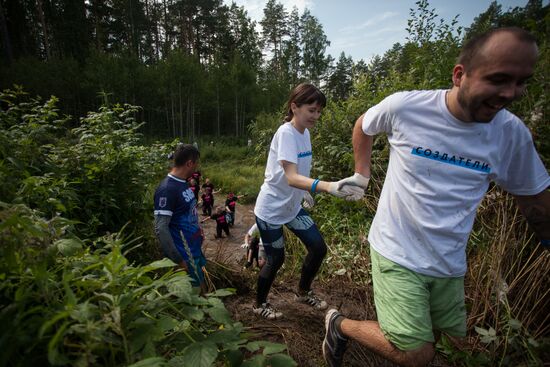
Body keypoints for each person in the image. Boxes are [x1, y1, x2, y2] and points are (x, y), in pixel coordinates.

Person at [322, 27, 550, 367]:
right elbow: (363, 125)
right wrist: (361, 174)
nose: (510, 93)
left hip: (449, 261)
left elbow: (535, 203)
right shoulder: (406, 107)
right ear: (460, 75)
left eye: (521, 82)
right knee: (417, 354)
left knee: (456, 348)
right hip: (395, 249)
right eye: (498, 79)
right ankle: (339, 325)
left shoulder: (510, 134)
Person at [252, 83, 364, 320]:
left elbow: (299, 170)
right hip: (271, 208)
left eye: (319, 111)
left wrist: (306, 193)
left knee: (318, 247)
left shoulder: (306, 134)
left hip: (292, 207)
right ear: (295, 107)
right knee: (276, 258)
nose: (316, 116)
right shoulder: (286, 133)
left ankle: (303, 291)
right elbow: (291, 177)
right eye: (312, 110)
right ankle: (259, 303)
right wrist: (328, 186)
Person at [153, 144, 207, 293]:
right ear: (189, 163)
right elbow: (161, 228)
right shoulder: (167, 189)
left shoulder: (183, 183)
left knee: (200, 287)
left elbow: (187, 212)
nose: (197, 168)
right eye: (196, 164)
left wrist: (199, 230)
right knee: (191, 297)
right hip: (184, 256)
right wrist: (179, 260)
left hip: (194, 250)